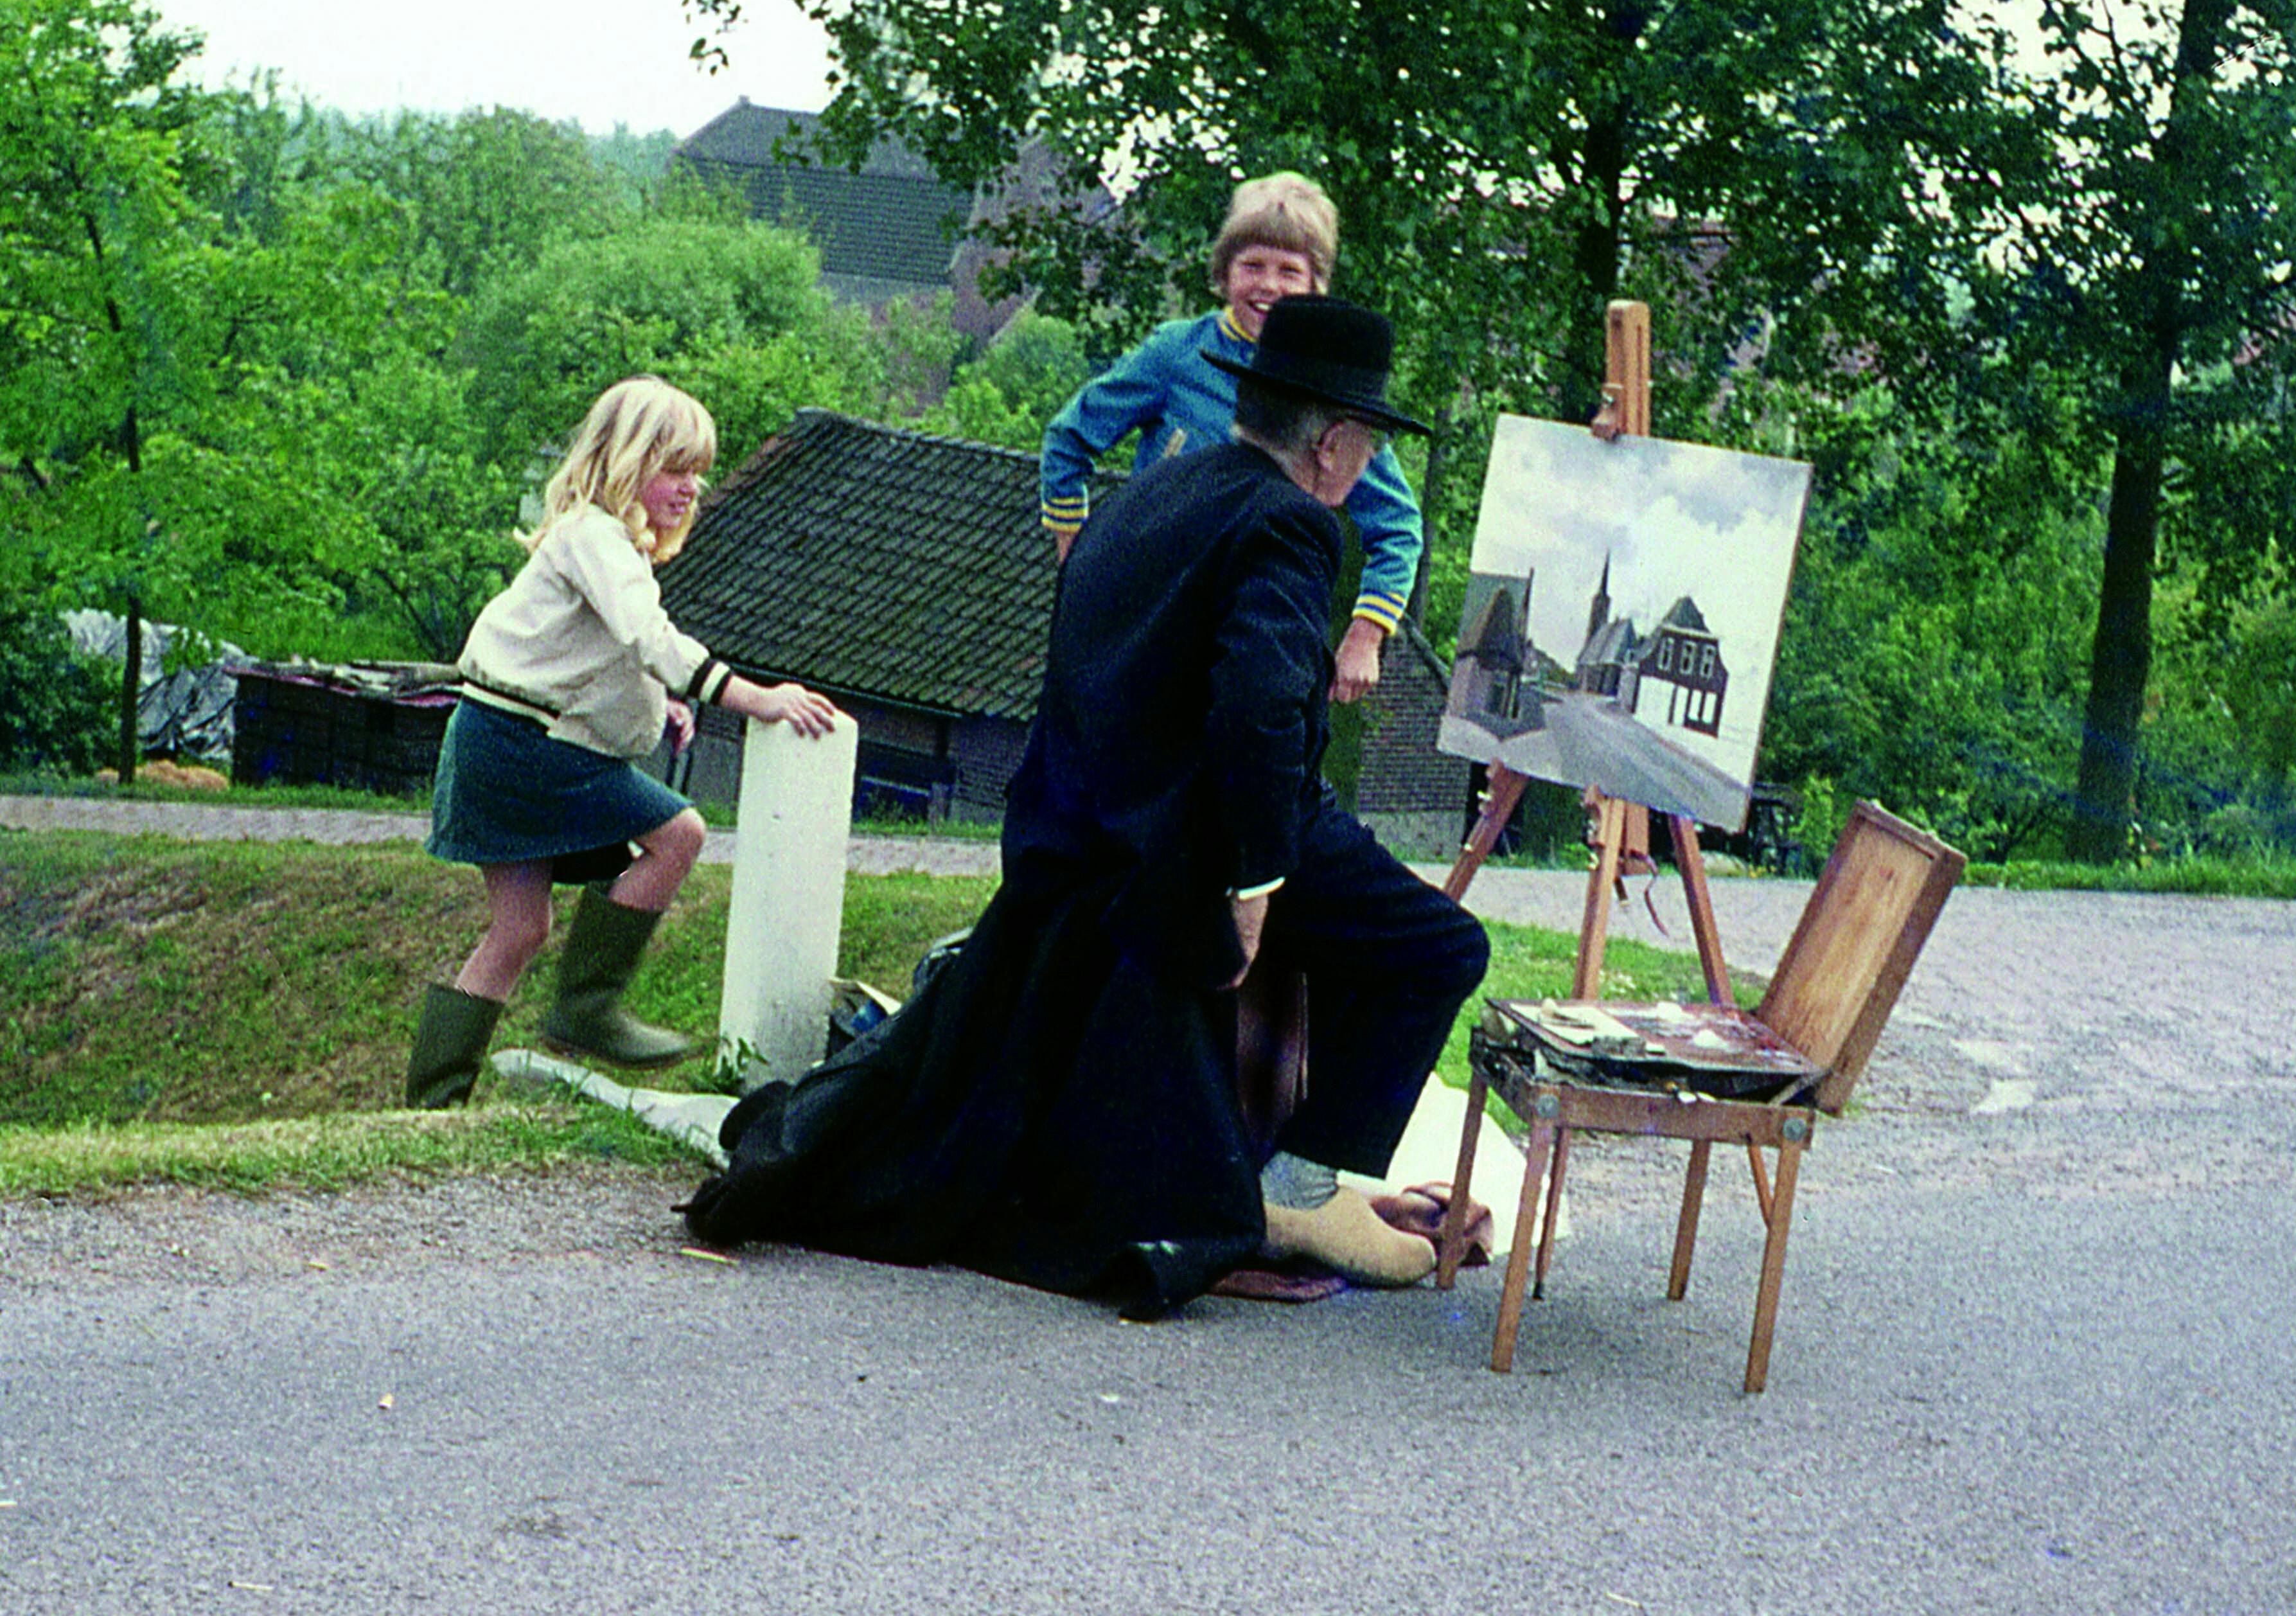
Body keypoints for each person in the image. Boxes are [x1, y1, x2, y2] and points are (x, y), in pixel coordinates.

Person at [684, 297, 1490, 1315]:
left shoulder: (1145, 493)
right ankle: (1299, 1186)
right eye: (1367, 441)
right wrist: (1252, 881)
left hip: (1083, 835)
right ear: (1331, 444)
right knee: (1439, 948)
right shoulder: (1291, 521)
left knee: (1352, 924)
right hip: (1202, 832)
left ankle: (1261, 1151)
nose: (1366, 462)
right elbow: (1257, 715)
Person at [407, 377, 842, 1108]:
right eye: (675, 469)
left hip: (494, 736)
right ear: (625, 461)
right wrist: (755, 697)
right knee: (679, 834)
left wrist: (653, 704)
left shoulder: (603, 544)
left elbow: (590, 653)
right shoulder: (594, 536)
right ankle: (587, 1008)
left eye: (699, 473)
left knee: (519, 929)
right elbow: (647, 635)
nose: (690, 487)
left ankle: (433, 1101)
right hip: (524, 745)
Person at [1039, 172, 1424, 702]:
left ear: (1316, 287)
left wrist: (1366, 634)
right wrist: (1078, 562)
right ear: (1223, 273)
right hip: (1153, 619)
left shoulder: (1332, 392)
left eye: (1289, 271)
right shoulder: (1177, 353)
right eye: (1253, 266)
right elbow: (1068, 440)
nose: (1269, 286)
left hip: (1258, 631)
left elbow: (1399, 524)